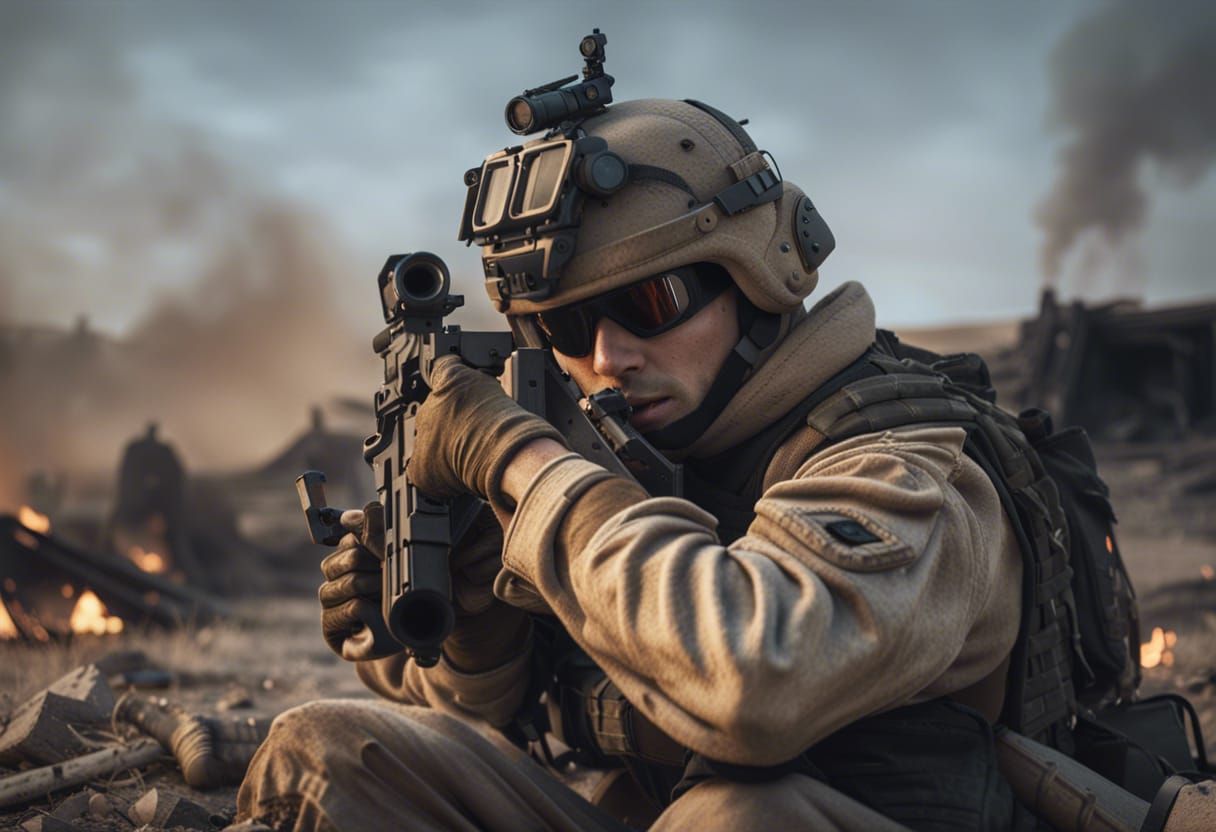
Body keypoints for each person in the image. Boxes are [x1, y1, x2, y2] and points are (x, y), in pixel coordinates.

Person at [235, 98, 1035, 831]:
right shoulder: (629, 455)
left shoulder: (906, 458)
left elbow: (756, 684)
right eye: (568, 328)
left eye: (650, 305)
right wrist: (472, 625)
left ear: (756, 275)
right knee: (319, 755)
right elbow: (492, 723)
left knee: (739, 819)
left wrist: (522, 459)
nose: (609, 357)